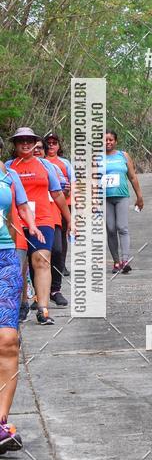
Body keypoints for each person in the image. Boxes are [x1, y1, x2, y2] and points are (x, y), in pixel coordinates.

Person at [0, 155, 45, 452]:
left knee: (8, 340)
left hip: (4, 258)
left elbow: (12, 213)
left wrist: (30, 228)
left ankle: (0, 422)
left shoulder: (8, 176)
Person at [6, 127, 71, 325]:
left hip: (42, 220)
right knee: (19, 265)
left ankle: (43, 309)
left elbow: (57, 194)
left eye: (29, 140)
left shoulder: (45, 165)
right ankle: (22, 303)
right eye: (21, 141)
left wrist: (69, 219)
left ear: (35, 143)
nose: (25, 144)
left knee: (41, 260)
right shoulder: (8, 167)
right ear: (15, 144)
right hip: (16, 222)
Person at [32, 138, 69, 307]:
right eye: (34, 148)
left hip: (52, 214)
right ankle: (38, 294)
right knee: (34, 256)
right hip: (30, 217)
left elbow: (63, 190)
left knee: (57, 250)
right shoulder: (16, 166)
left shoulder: (52, 167)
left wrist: (69, 218)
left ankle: (55, 290)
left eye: (40, 148)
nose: (36, 150)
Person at [101, 131, 144, 274]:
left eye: (111, 140)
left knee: (122, 227)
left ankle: (125, 260)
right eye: (105, 140)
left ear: (116, 141)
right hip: (105, 198)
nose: (108, 142)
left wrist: (139, 196)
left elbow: (132, 177)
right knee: (110, 229)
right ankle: (116, 262)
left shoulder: (123, 156)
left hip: (122, 196)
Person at [44, 133, 73, 281]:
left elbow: (73, 181)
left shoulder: (64, 162)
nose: (51, 145)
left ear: (58, 146)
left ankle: (61, 264)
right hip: (47, 204)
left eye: (54, 143)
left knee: (62, 235)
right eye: (48, 143)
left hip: (65, 202)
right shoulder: (41, 161)